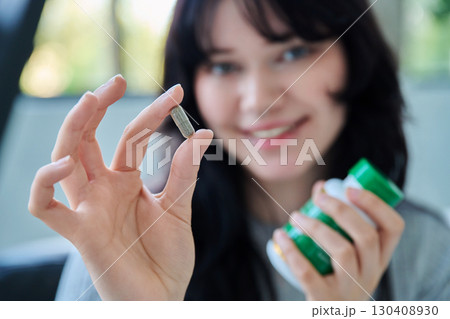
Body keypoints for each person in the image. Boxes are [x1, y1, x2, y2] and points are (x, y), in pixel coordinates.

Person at [29, 0, 450, 301]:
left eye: (292, 52)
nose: (258, 100)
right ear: (190, 89)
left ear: (355, 60)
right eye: (224, 65)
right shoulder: (125, 238)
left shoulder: (425, 250)